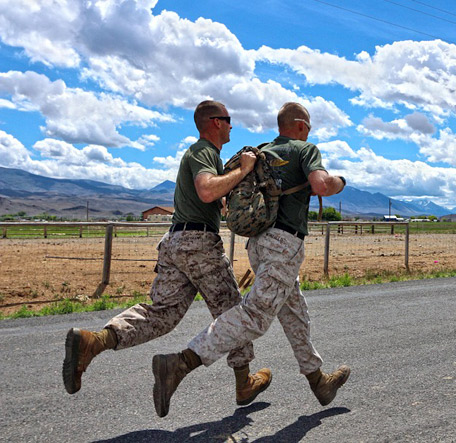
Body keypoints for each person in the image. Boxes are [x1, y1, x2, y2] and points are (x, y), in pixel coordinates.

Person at [63, 100, 271, 407]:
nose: (231, 125)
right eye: (228, 120)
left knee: (162, 313)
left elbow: (207, 196)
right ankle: (244, 383)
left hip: (176, 242)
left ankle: (94, 342)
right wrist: (244, 169)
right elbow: (206, 190)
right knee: (233, 312)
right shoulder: (204, 151)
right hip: (197, 243)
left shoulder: (204, 156)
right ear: (214, 122)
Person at [150, 102, 350, 418]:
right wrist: (339, 180)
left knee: (294, 309)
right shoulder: (304, 149)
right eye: (308, 126)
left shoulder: (262, 152)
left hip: (258, 245)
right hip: (283, 245)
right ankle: (180, 362)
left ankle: (318, 380)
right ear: (299, 125)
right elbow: (321, 185)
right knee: (255, 315)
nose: (309, 132)